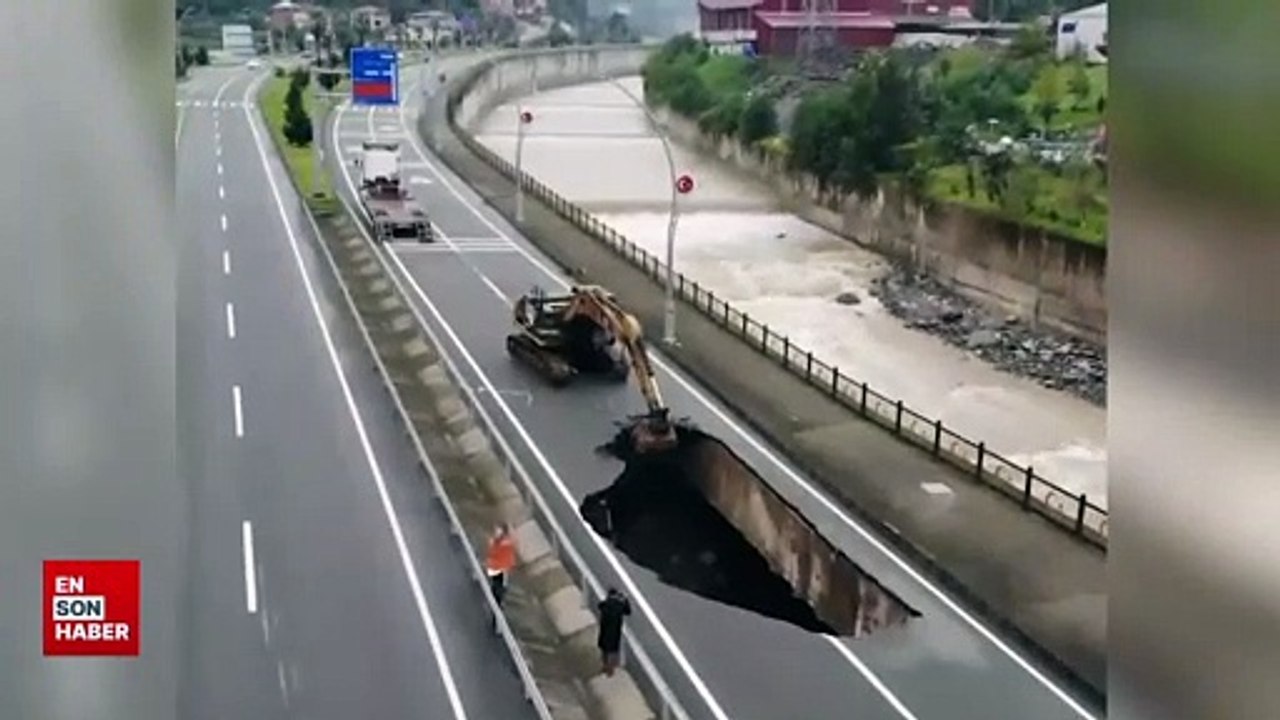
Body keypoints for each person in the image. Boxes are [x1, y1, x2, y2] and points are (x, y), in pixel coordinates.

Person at [596, 587, 631, 677]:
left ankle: (604, 666)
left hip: (604, 629)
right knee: (612, 650)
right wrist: (625, 600)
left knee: (604, 649)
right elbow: (628, 611)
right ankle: (610, 669)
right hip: (615, 630)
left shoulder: (606, 604)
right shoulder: (619, 605)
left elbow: (599, 605)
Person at [485, 524, 516, 606]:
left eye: (498, 531)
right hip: (496, 568)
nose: (496, 533)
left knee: (499, 588)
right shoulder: (496, 542)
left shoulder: (505, 543)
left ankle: (498, 604)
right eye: (496, 531)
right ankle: (496, 604)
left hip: (502, 569)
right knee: (495, 587)